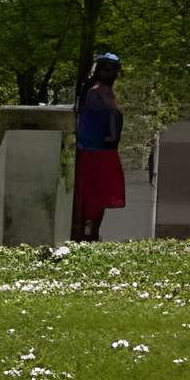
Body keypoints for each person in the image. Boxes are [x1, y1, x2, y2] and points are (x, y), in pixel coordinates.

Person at [70, 53, 126, 242]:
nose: (111, 74)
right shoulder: (95, 92)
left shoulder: (105, 92)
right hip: (93, 151)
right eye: (106, 69)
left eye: (113, 70)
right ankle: (87, 234)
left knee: (100, 196)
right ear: (100, 70)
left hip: (104, 151)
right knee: (92, 196)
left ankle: (91, 233)